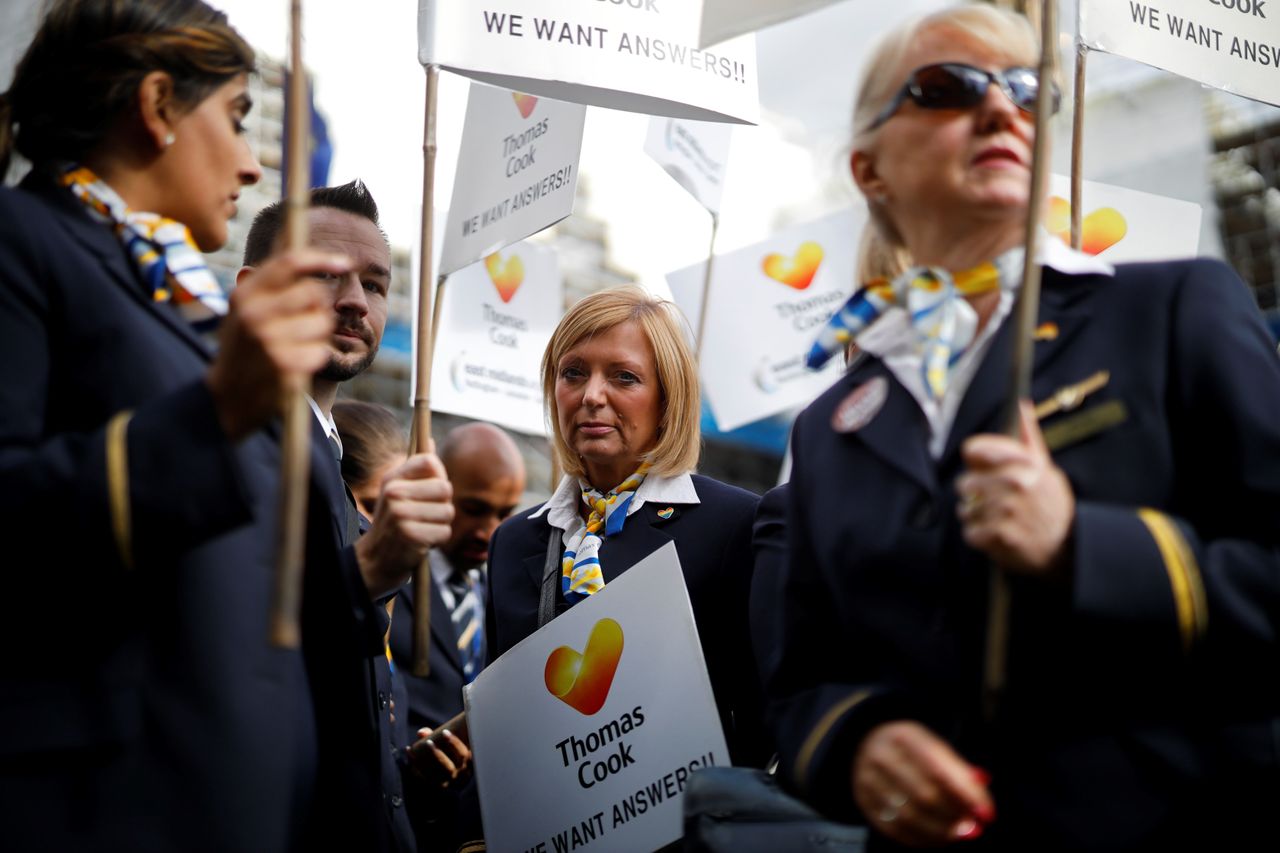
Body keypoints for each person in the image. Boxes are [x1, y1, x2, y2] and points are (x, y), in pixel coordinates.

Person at [763, 5, 1280, 850]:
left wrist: (1083, 543)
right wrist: (860, 745)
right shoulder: (829, 425)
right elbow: (800, 682)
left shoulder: (1177, 305)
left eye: (1028, 91)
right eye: (949, 86)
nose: (1002, 107)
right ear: (870, 168)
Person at [0, 3, 452, 851]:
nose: (251, 165)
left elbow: (267, 611)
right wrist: (212, 413)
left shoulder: (196, 323)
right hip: (102, 809)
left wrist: (373, 570)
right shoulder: (22, 243)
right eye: (238, 118)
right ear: (159, 103)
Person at [241, 184, 452, 853]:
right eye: (326, 273)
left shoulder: (326, 450)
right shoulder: (228, 439)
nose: (356, 300)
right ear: (253, 289)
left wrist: (398, 761)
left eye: (374, 282)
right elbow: (236, 652)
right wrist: (369, 568)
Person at [486, 285, 768, 768]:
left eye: (624, 377)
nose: (592, 396)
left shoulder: (736, 526)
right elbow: (504, 725)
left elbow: (764, 720)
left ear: (667, 398)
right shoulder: (513, 542)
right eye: (573, 372)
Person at [387, 420, 526, 853]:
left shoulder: (506, 593)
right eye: (473, 507)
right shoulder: (389, 581)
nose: (489, 530)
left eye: (504, 514)